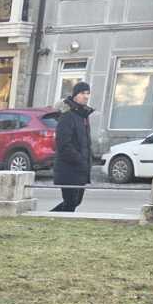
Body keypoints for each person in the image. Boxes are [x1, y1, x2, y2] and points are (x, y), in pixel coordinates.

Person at [52, 81, 94, 213]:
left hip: (80, 168)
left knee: (75, 202)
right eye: (82, 93)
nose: (86, 96)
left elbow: (85, 142)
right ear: (75, 95)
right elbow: (64, 145)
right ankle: (48, 219)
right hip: (69, 168)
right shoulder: (68, 115)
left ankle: (48, 218)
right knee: (71, 202)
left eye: (88, 93)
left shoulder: (83, 116)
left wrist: (88, 159)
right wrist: (80, 159)